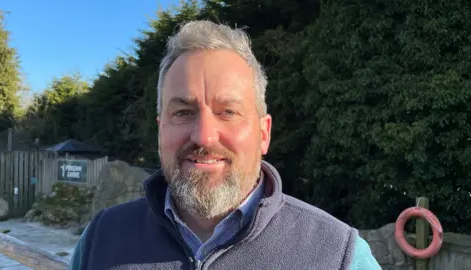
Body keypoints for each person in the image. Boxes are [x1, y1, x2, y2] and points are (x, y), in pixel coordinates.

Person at [69, 20, 381, 270]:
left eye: (228, 112)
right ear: (160, 129)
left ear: (263, 133)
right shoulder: (100, 240)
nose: (204, 137)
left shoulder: (339, 255)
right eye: (182, 113)